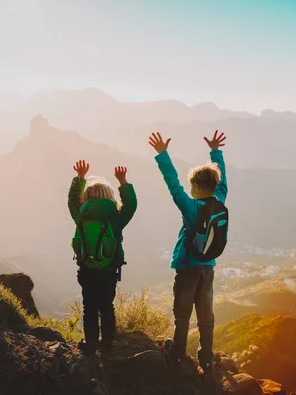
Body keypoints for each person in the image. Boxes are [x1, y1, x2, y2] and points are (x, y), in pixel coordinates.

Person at [148, 130, 228, 372]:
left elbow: (173, 184)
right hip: (208, 268)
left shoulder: (189, 205)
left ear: (195, 186)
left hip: (187, 267)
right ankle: (206, 357)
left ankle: (177, 353)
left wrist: (163, 155)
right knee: (206, 316)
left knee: (182, 314)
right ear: (213, 185)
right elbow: (223, 182)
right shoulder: (220, 199)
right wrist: (215, 153)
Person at [68, 160, 137, 356]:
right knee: (106, 306)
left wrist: (79, 178)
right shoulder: (115, 219)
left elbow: (72, 200)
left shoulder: (80, 216)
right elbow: (131, 205)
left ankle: (90, 344)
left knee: (89, 306)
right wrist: (123, 182)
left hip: (86, 270)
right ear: (109, 197)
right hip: (108, 271)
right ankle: (107, 343)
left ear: (86, 197)